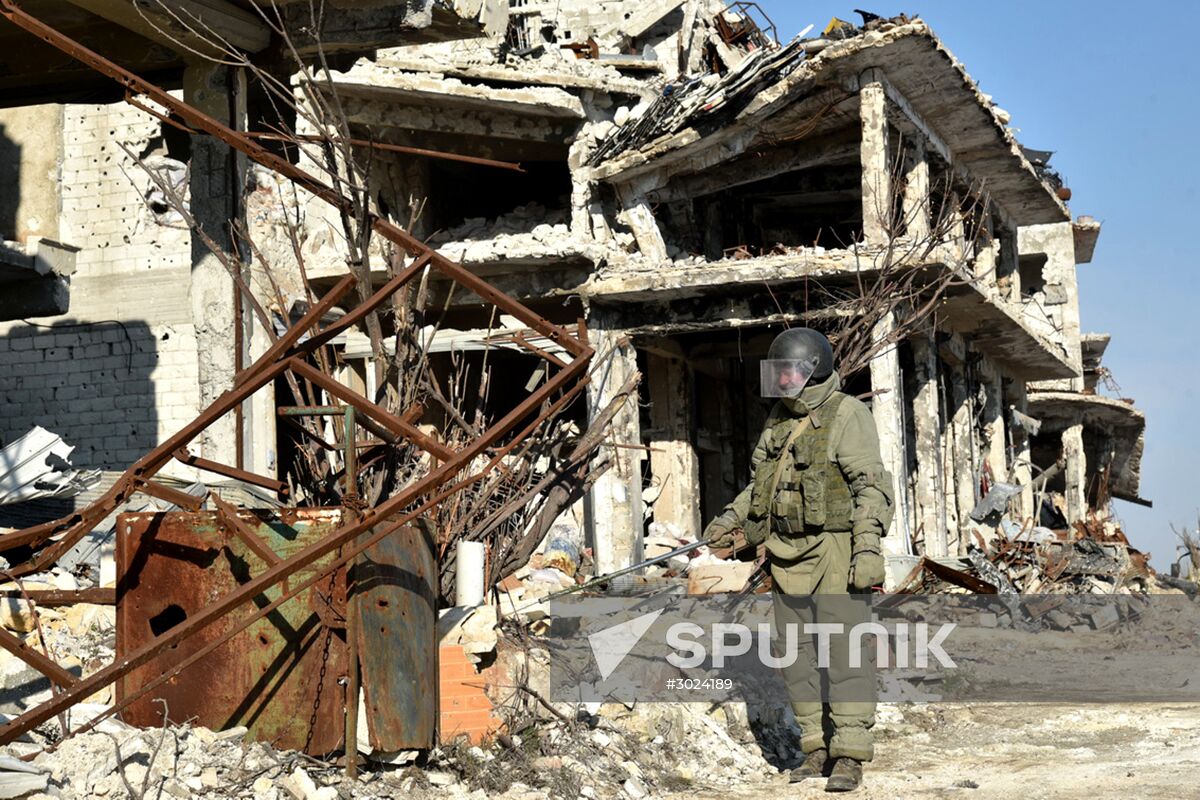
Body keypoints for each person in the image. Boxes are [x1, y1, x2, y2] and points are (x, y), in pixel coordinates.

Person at [703, 327, 894, 792]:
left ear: (815, 370)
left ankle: (849, 755)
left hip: (834, 549)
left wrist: (867, 548)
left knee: (844, 652)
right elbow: (761, 487)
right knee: (797, 656)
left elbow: (872, 487)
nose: (784, 379)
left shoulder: (848, 415)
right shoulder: (778, 420)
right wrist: (731, 519)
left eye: (791, 370)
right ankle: (815, 748)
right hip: (786, 554)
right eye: (780, 371)